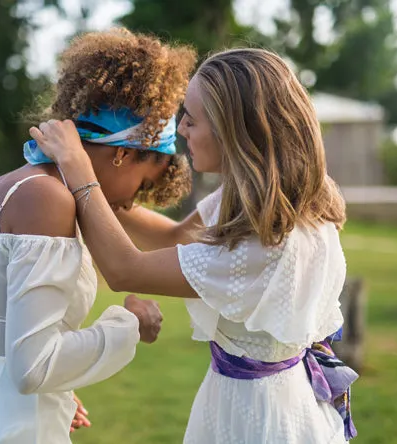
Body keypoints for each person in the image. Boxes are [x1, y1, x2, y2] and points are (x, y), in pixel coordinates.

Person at [31, 47, 359, 443]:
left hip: (260, 416)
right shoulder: (266, 199)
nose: (181, 127)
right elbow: (178, 236)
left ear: (235, 131)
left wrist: (79, 170)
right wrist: (100, 186)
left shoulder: (268, 243)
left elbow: (124, 269)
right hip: (245, 396)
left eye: (193, 119)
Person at [0, 28, 196, 444]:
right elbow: (34, 367)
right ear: (123, 153)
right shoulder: (48, 200)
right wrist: (129, 323)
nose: (129, 203)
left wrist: (23, 391)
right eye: (142, 185)